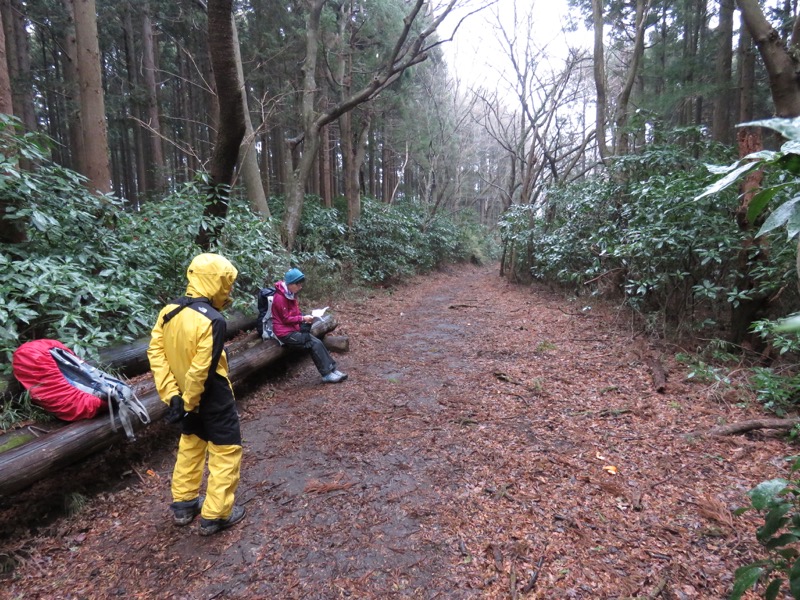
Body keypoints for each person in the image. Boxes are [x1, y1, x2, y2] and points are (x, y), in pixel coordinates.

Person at [147, 253, 246, 536]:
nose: (229, 288)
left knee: (190, 446)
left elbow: (156, 354)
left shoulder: (168, 311)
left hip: (182, 396)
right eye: (227, 282)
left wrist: (173, 397)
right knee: (225, 452)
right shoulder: (213, 320)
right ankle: (216, 515)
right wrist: (188, 401)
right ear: (216, 282)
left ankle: (184, 504)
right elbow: (203, 367)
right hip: (211, 396)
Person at [272, 268, 347, 383]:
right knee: (312, 343)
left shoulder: (290, 294)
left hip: (294, 328)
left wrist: (307, 317)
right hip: (284, 333)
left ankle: (332, 369)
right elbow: (285, 318)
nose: (300, 287)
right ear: (291, 284)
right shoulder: (280, 298)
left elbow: (295, 313)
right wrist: (302, 319)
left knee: (318, 341)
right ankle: (326, 374)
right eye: (298, 285)